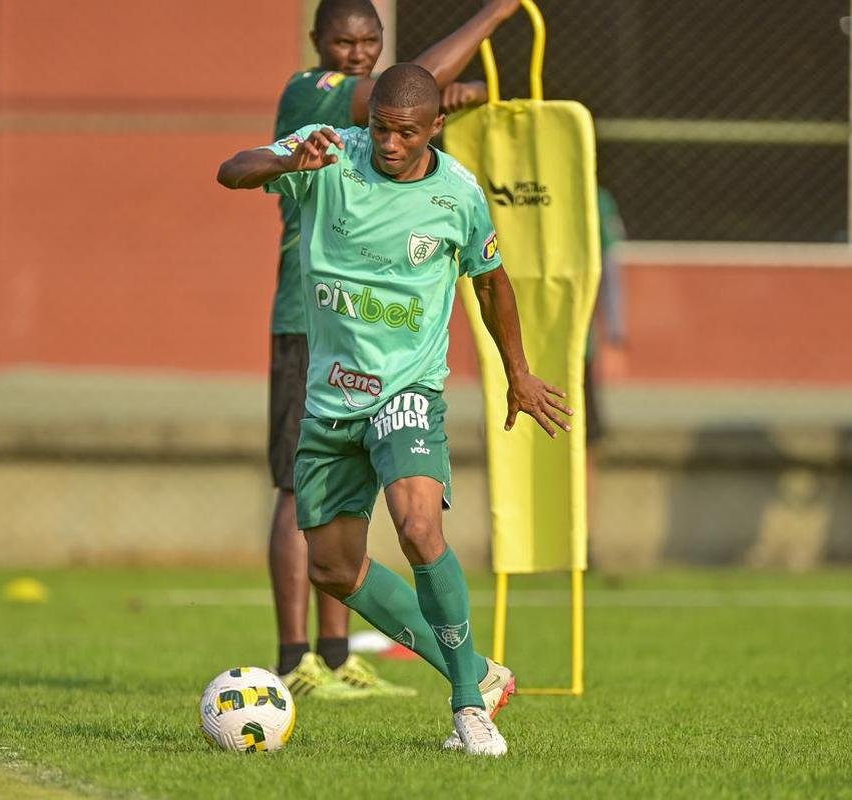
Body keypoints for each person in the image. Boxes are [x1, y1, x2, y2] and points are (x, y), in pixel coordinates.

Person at [218, 63, 573, 756]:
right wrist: (286, 160)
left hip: (408, 392)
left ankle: (468, 706)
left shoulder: (457, 194)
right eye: (380, 128)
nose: (389, 143)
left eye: (406, 133)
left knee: (417, 525)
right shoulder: (328, 152)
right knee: (332, 568)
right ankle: (479, 671)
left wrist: (519, 374)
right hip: (330, 401)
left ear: (435, 126)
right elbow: (232, 171)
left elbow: (491, 282)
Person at [265, 0, 522, 701]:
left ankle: (338, 655)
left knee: (410, 522)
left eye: (369, 41)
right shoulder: (312, 94)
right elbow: (407, 86)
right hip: (312, 326)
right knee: (297, 494)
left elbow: (410, 96)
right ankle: (295, 657)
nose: (355, 53)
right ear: (316, 42)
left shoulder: (423, 158)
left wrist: (438, 103)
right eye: (342, 41)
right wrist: (493, 15)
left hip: (395, 361)